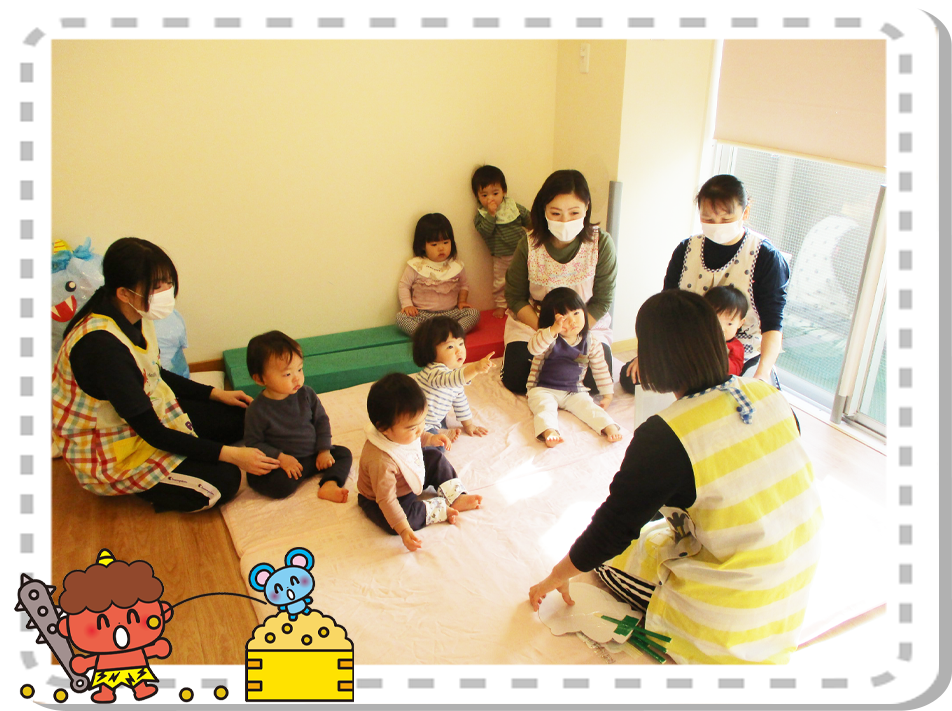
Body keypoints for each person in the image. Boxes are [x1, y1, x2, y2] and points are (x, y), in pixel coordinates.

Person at [528, 290, 822, 665]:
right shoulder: (767, 393)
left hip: (737, 613)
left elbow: (612, 529)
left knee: (608, 564)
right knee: (656, 530)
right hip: (797, 579)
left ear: (654, 357)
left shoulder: (665, 435)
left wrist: (556, 575)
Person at [52, 237, 279, 513]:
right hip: (116, 449)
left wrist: (215, 394)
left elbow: (152, 373)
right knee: (226, 478)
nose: (166, 292)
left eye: (168, 283)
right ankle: (146, 488)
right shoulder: (102, 348)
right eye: (156, 286)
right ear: (124, 293)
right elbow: (152, 433)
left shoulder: (132, 313)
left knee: (244, 416)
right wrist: (232, 454)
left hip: (146, 413)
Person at [621, 174, 790, 392]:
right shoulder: (686, 249)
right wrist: (649, 354)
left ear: (745, 212)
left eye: (726, 220)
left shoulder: (766, 256)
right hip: (691, 345)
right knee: (633, 378)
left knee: (725, 392)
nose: (717, 226)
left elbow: (773, 324)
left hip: (737, 352)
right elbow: (665, 308)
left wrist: (762, 373)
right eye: (708, 219)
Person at [503, 169, 617, 394]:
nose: (565, 221)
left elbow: (603, 300)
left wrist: (574, 332)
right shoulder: (528, 244)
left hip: (583, 324)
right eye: (556, 213)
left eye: (574, 213)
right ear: (544, 210)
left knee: (595, 382)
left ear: (586, 207)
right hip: (536, 322)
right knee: (517, 379)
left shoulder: (601, 243)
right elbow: (515, 297)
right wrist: (548, 331)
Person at [356, 373, 483, 552]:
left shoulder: (403, 432)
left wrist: (431, 438)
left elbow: (418, 437)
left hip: (409, 475)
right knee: (394, 522)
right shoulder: (381, 460)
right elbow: (387, 499)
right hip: (383, 498)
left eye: (423, 421)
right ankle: (437, 509)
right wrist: (404, 530)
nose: (420, 429)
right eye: (413, 427)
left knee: (434, 457)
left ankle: (456, 495)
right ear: (383, 428)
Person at [242, 331, 353, 502]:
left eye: (300, 369)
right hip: (284, 463)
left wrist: (324, 450)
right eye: (287, 374)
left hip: (313, 455)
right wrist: (281, 458)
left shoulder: (306, 394)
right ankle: (294, 474)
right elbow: (253, 443)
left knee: (343, 454)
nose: (297, 378)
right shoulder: (257, 410)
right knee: (276, 485)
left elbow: (321, 421)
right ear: (260, 379)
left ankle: (329, 484)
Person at [526, 288, 622, 448]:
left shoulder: (590, 341)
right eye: (563, 318)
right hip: (543, 388)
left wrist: (607, 394)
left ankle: (608, 427)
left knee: (589, 407)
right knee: (544, 408)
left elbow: (600, 368)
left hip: (574, 390)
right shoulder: (546, 336)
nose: (572, 321)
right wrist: (553, 330)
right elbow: (533, 349)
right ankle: (549, 431)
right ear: (551, 320)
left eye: (576, 313)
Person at [395, 213, 482, 337]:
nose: (441, 248)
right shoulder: (416, 265)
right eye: (434, 245)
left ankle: (452, 334)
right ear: (422, 245)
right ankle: (425, 336)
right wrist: (407, 305)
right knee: (400, 317)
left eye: (445, 242)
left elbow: (464, 285)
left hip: (450, 314)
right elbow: (404, 285)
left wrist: (462, 301)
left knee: (473, 313)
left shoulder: (456, 265)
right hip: (423, 314)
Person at [411, 316, 495, 443]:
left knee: (442, 424)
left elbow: (460, 402)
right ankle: (432, 435)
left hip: (434, 418)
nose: (459, 350)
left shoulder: (454, 375)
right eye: (450, 347)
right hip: (416, 422)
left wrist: (468, 425)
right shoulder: (433, 372)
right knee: (436, 446)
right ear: (430, 351)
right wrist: (475, 368)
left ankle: (438, 430)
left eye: (461, 343)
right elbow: (452, 379)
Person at [471, 165, 532, 318]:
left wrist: (537, 231)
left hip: (522, 253)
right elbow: (485, 232)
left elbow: (529, 219)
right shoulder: (481, 215)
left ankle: (527, 303)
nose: (490, 198)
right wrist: (491, 215)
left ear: (504, 191)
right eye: (484, 195)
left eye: (495, 193)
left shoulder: (513, 207)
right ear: (477, 196)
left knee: (527, 277)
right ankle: (501, 305)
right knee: (500, 282)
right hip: (501, 256)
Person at [704, 285, 748, 376]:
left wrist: (717, 349)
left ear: (740, 323)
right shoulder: (696, 336)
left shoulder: (736, 347)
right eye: (715, 321)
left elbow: (734, 372)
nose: (721, 329)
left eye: (729, 324)